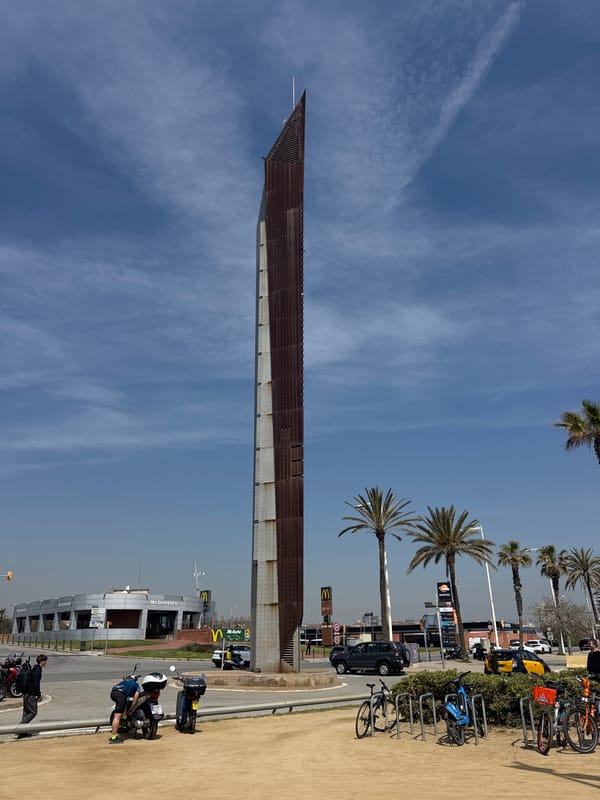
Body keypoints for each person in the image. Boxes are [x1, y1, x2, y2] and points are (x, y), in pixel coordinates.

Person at [17, 653, 47, 738]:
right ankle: (19, 728)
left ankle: (23, 732)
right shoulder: (37, 670)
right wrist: (38, 694)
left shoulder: (34, 668)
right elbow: (36, 683)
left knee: (26, 712)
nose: (45, 663)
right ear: (41, 661)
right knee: (33, 712)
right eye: (45, 661)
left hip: (26, 693)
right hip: (30, 694)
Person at [109, 672, 141, 744]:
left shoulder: (123, 682)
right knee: (117, 716)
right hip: (120, 695)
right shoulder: (136, 685)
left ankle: (124, 716)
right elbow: (135, 700)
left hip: (113, 693)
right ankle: (113, 738)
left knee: (125, 701)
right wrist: (131, 709)